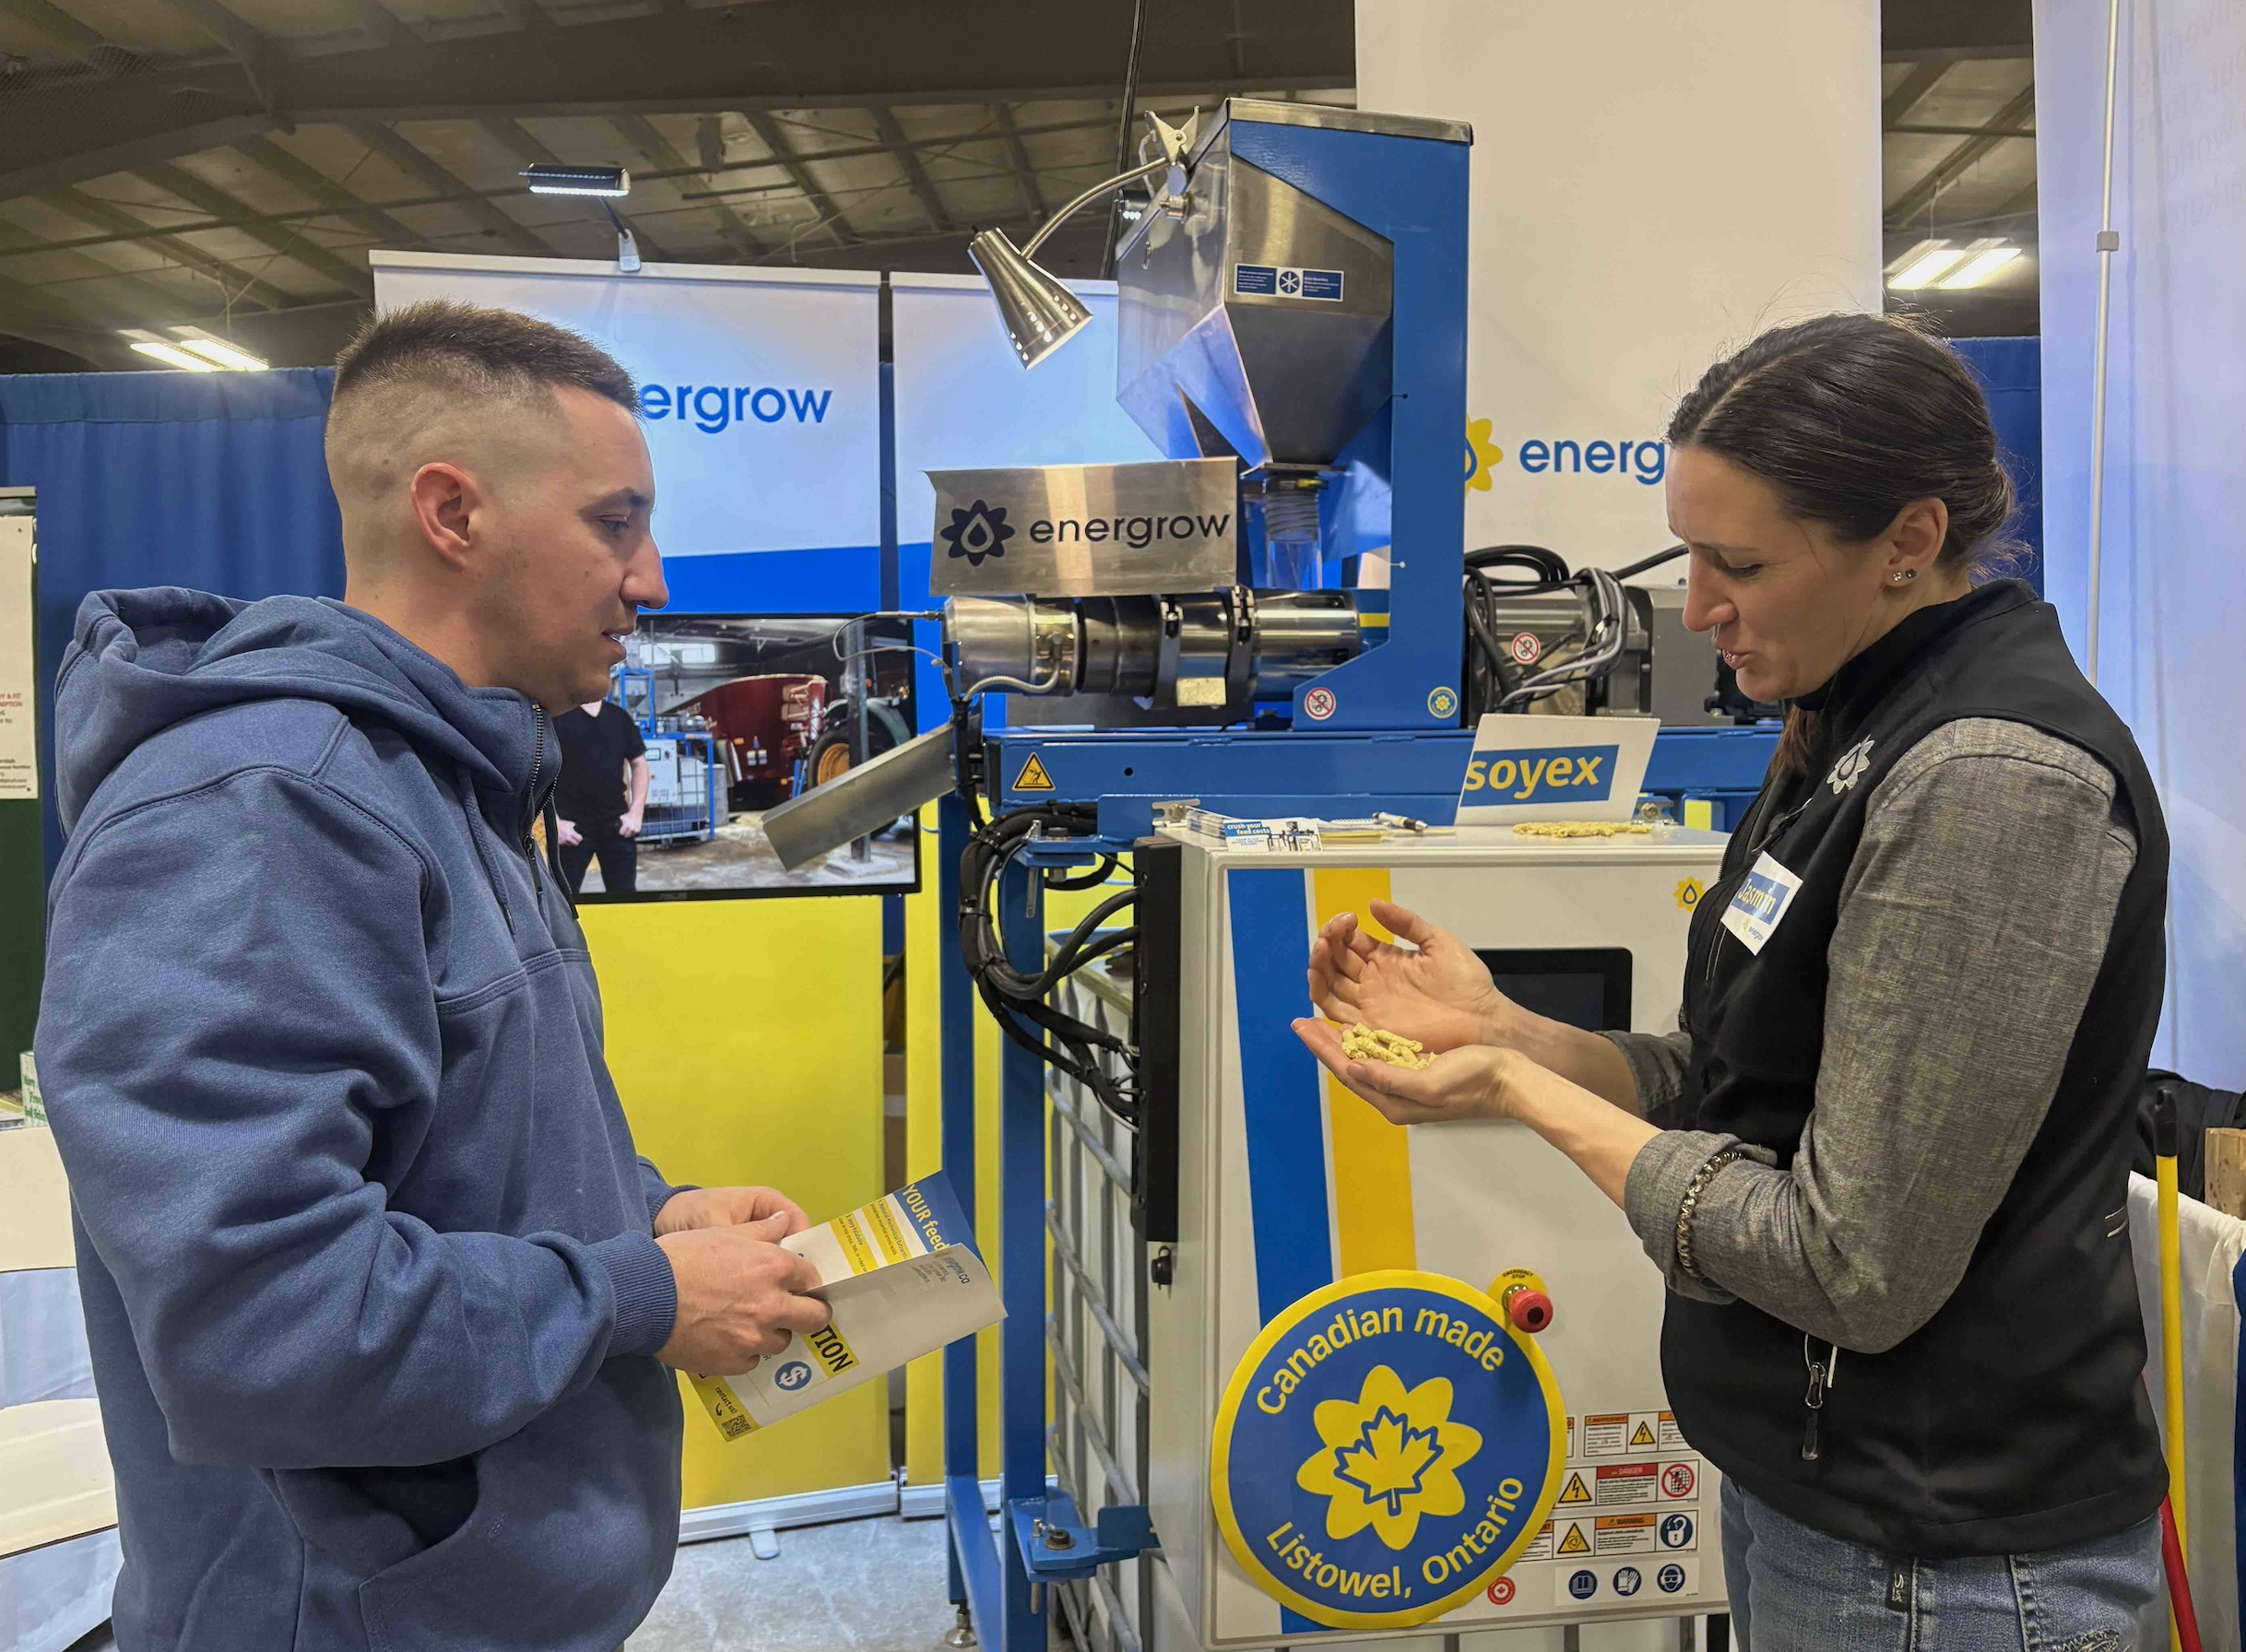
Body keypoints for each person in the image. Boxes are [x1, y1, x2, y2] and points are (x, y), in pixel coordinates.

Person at [1294, 313, 2169, 1651]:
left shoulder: (1989, 780)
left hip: (1947, 1563)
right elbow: (1744, 1086)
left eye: (1741, 563)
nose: (1697, 608)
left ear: (1908, 542)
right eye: (1690, 552)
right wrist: (1509, 1028)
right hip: (1814, 1499)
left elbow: (1852, 1263)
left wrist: (1525, 1089)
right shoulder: (1847, 721)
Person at [37, 301, 831, 1652]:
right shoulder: (266, 811)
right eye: (613, 523)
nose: (653, 581)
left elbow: (458, 1153)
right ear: (450, 514)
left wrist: (655, 1217)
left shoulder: (447, 785)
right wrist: (643, 1297)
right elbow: (263, 1318)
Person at [556, 695, 649, 894]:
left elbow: (639, 764)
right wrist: (554, 824)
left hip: (618, 827)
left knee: (625, 903)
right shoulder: (556, 716)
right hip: (571, 831)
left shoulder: (619, 718)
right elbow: (537, 774)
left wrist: (636, 813)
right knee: (561, 905)